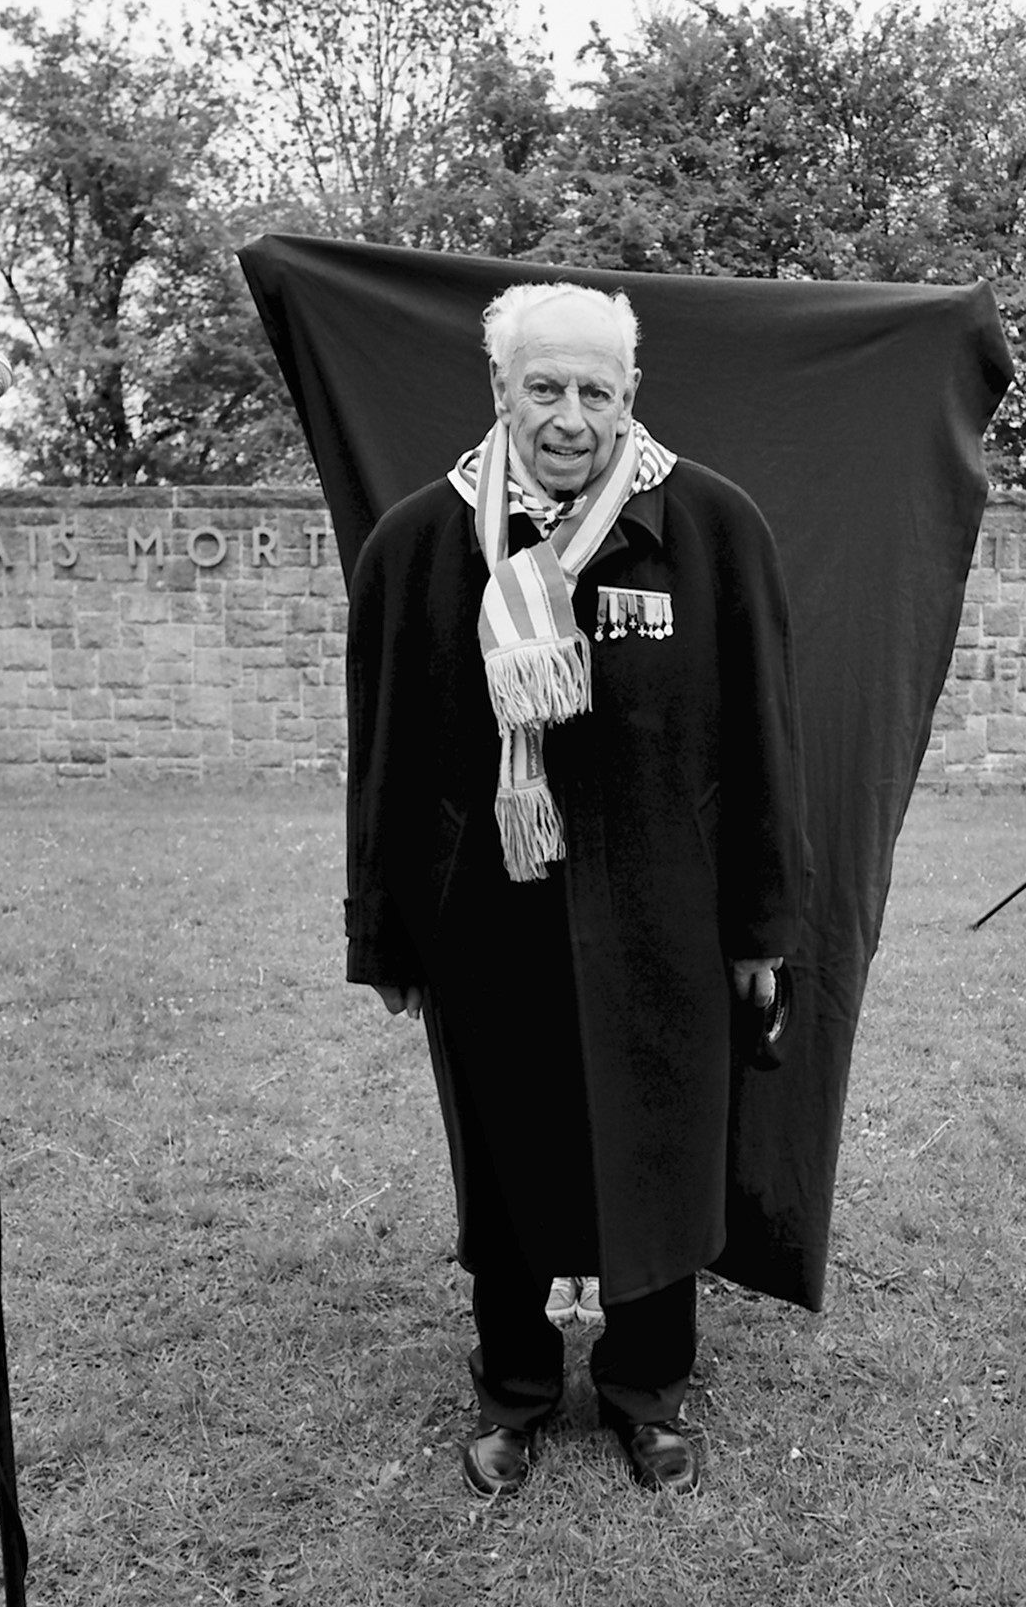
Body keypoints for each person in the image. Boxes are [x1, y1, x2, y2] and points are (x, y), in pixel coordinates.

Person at [343, 282, 807, 1498]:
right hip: (484, 912)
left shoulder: (711, 527)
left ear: (631, 395)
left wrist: (762, 925)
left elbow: (766, 743)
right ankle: (516, 1389)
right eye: (543, 386)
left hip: (668, 916)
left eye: (595, 389)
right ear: (499, 389)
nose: (569, 414)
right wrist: (385, 933)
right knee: (507, 1157)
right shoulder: (418, 542)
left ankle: (647, 1392)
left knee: (656, 1143)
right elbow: (382, 757)